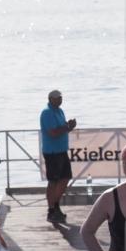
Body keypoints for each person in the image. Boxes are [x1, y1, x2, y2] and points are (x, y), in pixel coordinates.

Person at [39, 89, 77, 223]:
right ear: (50, 99)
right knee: (53, 181)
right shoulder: (47, 112)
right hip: (52, 152)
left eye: (60, 97)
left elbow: (61, 128)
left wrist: (69, 126)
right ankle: (51, 209)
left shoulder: (60, 111)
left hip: (61, 150)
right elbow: (53, 133)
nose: (59, 100)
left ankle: (55, 205)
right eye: (56, 98)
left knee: (65, 178)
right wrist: (67, 127)